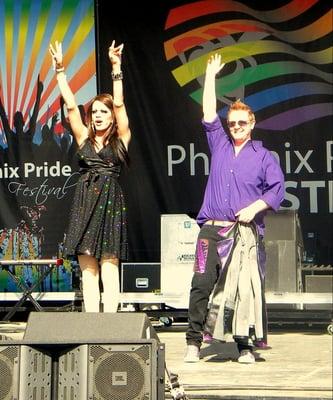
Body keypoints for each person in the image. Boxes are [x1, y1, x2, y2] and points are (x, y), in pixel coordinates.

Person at [184, 53, 284, 363]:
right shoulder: (220, 145)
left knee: (244, 290)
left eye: (242, 122)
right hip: (211, 230)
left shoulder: (263, 155)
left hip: (243, 234)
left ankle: (244, 346)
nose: (237, 126)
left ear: (252, 123)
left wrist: (255, 207)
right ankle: (193, 342)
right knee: (201, 282)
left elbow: (277, 189)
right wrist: (210, 76)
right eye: (233, 123)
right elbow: (208, 112)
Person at [49, 40, 131, 312]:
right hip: (85, 202)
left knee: (109, 265)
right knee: (87, 267)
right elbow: (71, 107)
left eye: (102, 112)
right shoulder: (83, 136)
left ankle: (110, 324)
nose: (97, 115)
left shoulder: (121, 138)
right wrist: (60, 72)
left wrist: (116, 67)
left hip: (110, 203)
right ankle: (92, 324)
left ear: (111, 117)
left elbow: (119, 104)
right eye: (94, 111)